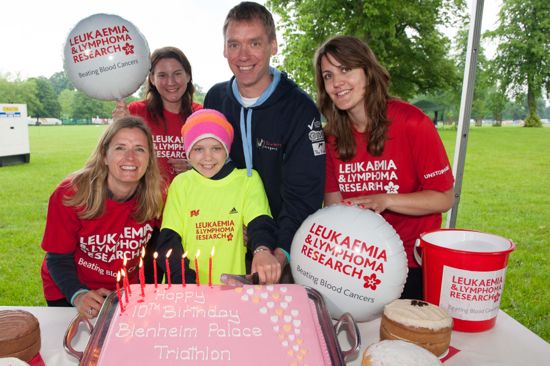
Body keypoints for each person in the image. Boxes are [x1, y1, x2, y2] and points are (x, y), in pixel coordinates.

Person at [314, 35, 455, 299]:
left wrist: (386, 200)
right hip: (358, 266)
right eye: (328, 75)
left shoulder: (412, 122)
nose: (337, 83)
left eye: (346, 69)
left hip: (413, 266)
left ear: (367, 71)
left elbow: (444, 197)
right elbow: (334, 209)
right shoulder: (330, 137)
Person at [204, 2, 325, 277]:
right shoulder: (214, 100)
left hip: (278, 253)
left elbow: (304, 195)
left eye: (254, 43)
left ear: (273, 45)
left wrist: (277, 252)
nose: (243, 55)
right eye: (234, 44)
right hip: (222, 244)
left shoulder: (299, 109)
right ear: (224, 48)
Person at [40, 116, 164, 319]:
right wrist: (78, 295)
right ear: (104, 155)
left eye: (139, 149)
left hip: (126, 291)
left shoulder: (158, 195)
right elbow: (57, 257)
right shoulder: (71, 194)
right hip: (71, 289)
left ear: (149, 158)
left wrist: (147, 290)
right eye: (120, 148)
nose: (130, 157)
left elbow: (156, 251)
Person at [158, 109, 281, 284]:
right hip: (184, 287)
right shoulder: (181, 184)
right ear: (188, 152)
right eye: (199, 149)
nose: (208, 157)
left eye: (216, 148)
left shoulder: (247, 180)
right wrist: (185, 280)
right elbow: (169, 240)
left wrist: (262, 251)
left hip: (229, 288)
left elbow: (260, 223)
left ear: (227, 150)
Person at [113, 46, 202, 282]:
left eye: (177, 73)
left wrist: (195, 166)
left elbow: (217, 161)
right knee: (146, 289)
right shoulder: (136, 112)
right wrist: (118, 127)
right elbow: (116, 157)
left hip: (188, 217)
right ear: (151, 79)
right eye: (162, 75)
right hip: (146, 217)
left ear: (188, 75)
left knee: (184, 284)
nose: (170, 81)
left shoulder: (201, 115)